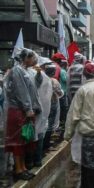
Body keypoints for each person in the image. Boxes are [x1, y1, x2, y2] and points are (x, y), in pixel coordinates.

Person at [4, 49, 42, 180]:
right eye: (33, 58)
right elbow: (22, 91)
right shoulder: (17, 71)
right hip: (19, 111)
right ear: (26, 58)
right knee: (18, 142)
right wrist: (28, 109)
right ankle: (19, 169)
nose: (35, 60)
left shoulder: (26, 71)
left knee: (25, 140)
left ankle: (23, 167)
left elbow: (33, 88)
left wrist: (38, 75)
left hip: (24, 111)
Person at [42, 64, 64, 153]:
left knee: (44, 123)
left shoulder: (42, 79)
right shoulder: (53, 81)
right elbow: (59, 93)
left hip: (43, 104)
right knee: (50, 125)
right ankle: (46, 146)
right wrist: (61, 92)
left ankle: (43, 144)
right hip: (52, 103)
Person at [52, 53, 69, 139]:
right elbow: (66, 80)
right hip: (61, 93)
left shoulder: (54, 67)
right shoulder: (61, 70)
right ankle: (61, 128)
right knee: (62, 111)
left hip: (54, 93)